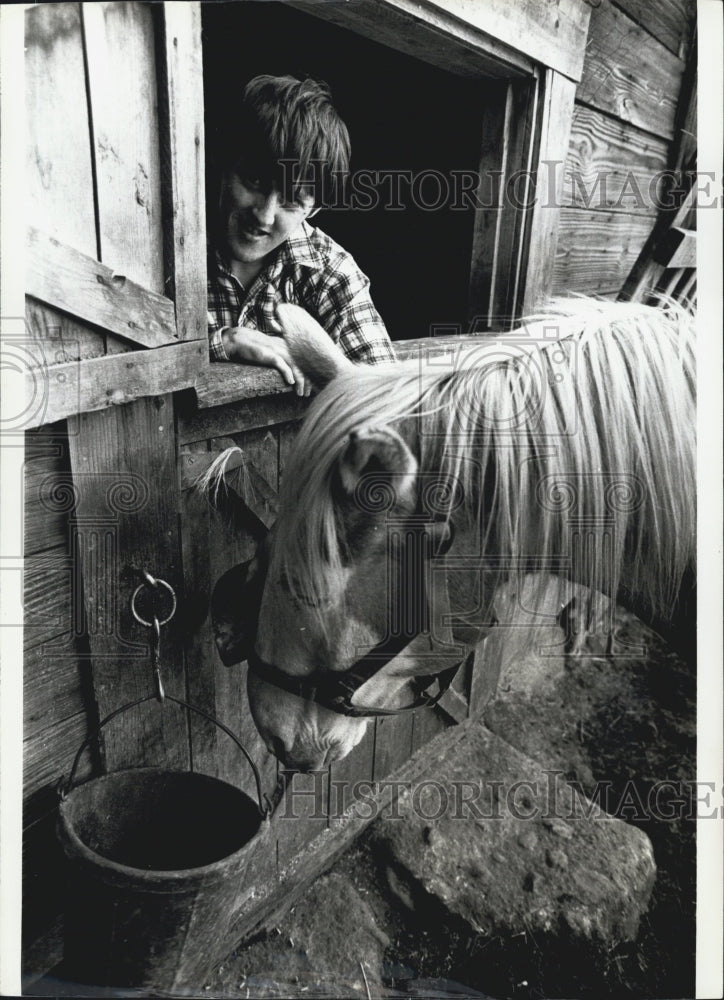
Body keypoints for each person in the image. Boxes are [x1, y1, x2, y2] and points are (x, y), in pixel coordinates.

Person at [208, 74, 395, 395]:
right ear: (223, 166)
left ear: (313, 209)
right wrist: (225, 340)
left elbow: (382, 394)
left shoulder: (332, 273)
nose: (264, 215)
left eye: (291, 200)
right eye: (254, 181)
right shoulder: (168, 246)